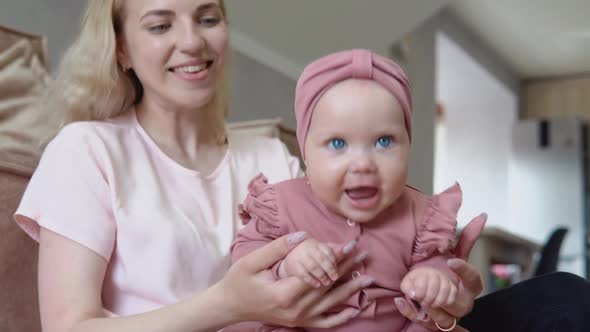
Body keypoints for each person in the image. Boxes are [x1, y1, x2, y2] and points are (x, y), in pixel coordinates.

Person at [12, 0, 588, 332]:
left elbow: (367, 259)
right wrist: (227, 305)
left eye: (208, 16)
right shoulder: (86, 149)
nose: (192, 42)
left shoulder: (270, 158)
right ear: (120, 48)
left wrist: (439, 292)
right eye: (160, 24)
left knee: (560, 297)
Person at [230, 49, 480, 332]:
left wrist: (432, 278)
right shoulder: (282, 204)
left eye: (384, 141)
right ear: (306, 153)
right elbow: (244, 257)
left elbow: (438, 259)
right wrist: (287, 263)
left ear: (408, 146)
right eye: (338, 144)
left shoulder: (420, 215)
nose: (362, 164)